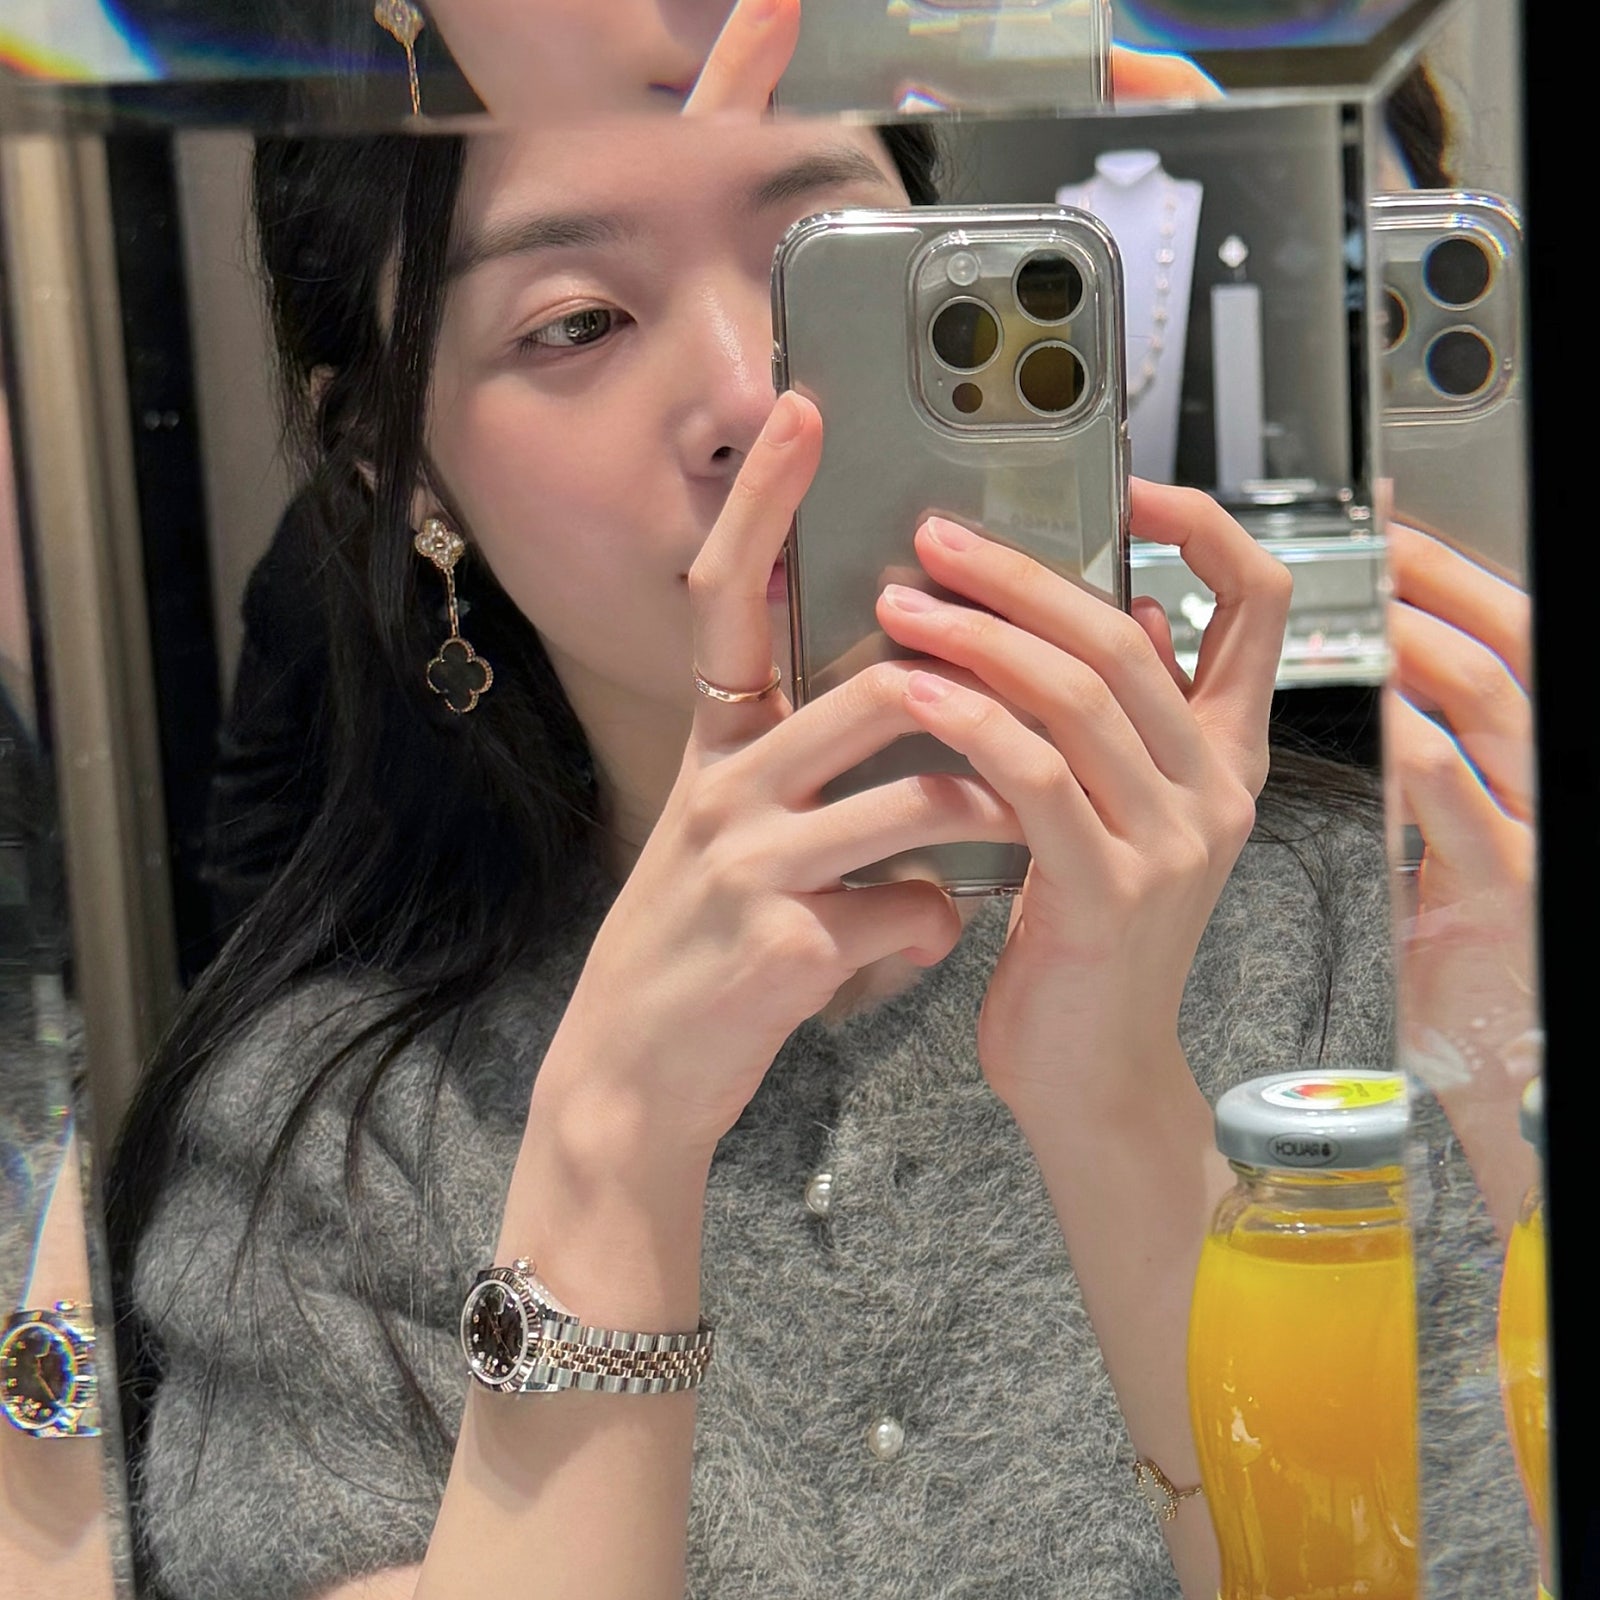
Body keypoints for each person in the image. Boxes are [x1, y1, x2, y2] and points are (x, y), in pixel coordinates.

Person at [111, 45, 1529, 1600]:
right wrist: (612, 1151)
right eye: (577, 322)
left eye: (823, 260)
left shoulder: (1368, 938)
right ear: (397, 463)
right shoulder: (326, 1156)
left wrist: (1115, 1092)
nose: (750, 395)